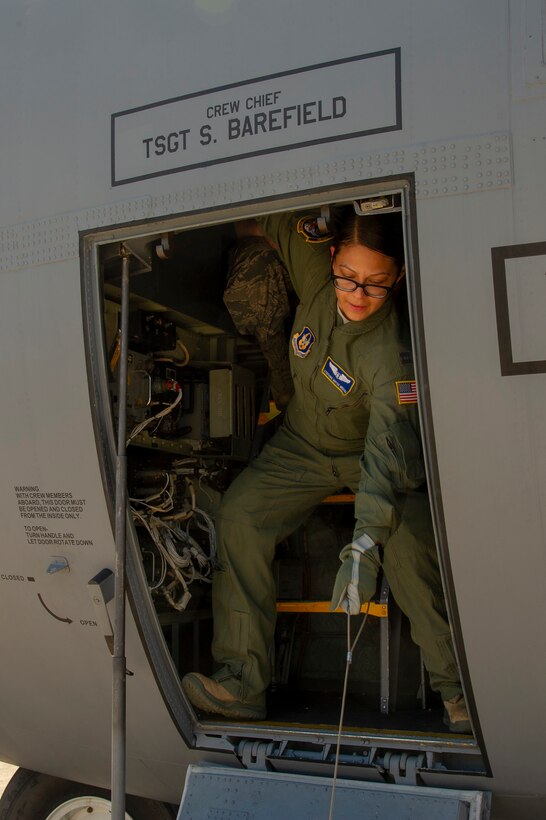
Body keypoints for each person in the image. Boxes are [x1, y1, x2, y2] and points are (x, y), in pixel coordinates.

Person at [182, 206, 471, 733]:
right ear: (334, 258)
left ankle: (458, 693)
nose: (357, 295)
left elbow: (387, 454)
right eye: (349, 278)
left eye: (377, 285)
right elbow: (271, 218)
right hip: (300, 444)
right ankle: (242, 683)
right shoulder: (316, 273)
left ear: (398, 278)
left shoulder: (390, 355)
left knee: (407, 548)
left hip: (366, 459)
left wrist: (363, 543)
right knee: (240, 516)